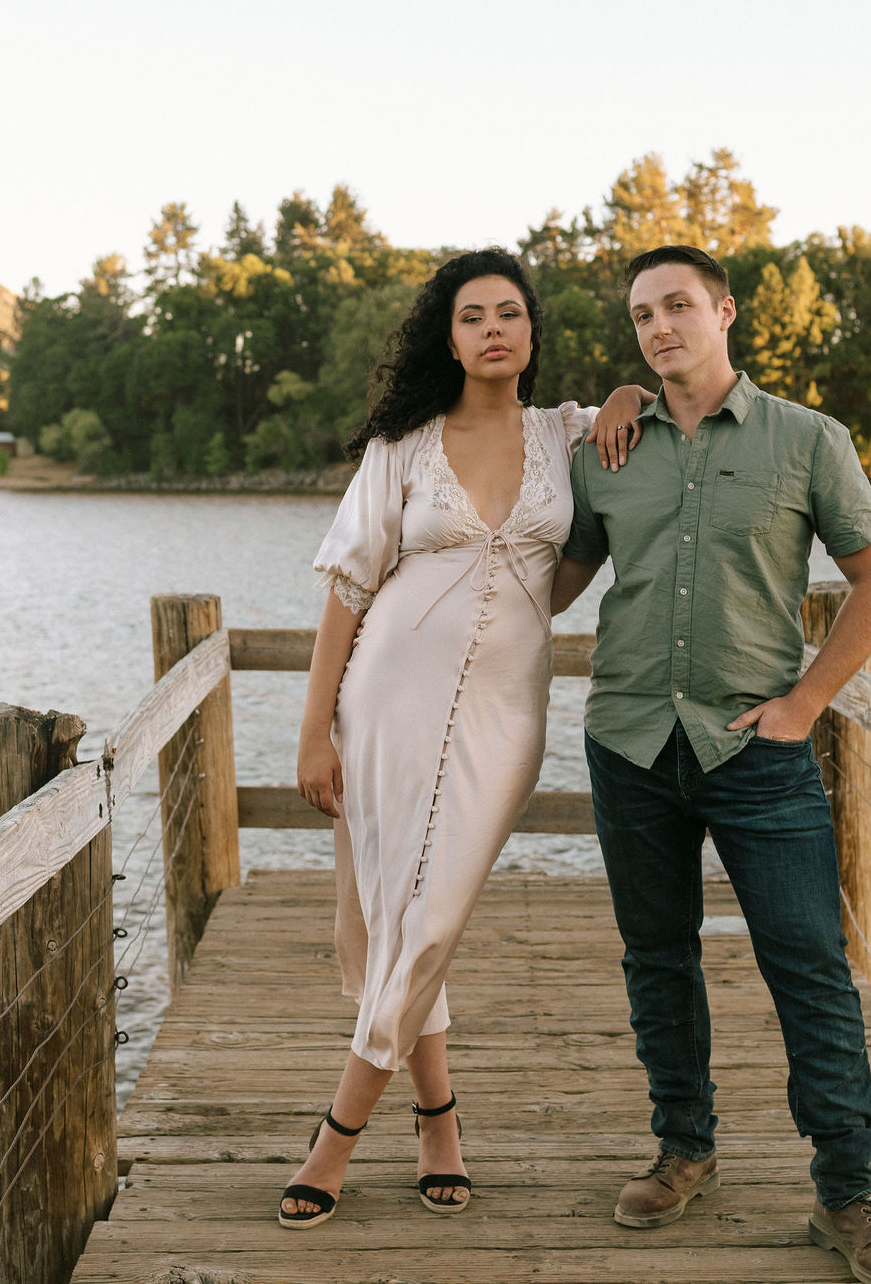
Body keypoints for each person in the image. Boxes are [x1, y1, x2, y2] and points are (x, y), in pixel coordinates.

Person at [549, 244, 871, 1284]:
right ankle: (682, 1150)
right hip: (628, 739)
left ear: (723, 312)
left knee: (807, 965)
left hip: (753, 747)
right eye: (639, 316)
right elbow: (551, 585)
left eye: (676, 306)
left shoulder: (806, 441)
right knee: (655, 955)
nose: (658, 326)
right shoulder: (605, 450)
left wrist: (804, 704)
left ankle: (847, 1197)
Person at [280, 248, 653, 1229]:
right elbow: (347, 590)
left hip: (502, 712)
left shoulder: (567, 435)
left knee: (433, 912)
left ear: (531, 333)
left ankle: (335, 1136)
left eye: (509, 314)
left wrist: (624, 388)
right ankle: (436, 1123)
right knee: (394, 916)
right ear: (446, 339)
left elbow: (641, 419)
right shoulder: (401, 446)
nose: (492, 328)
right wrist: (313, 727)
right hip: (385, 698)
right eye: (471, 316)